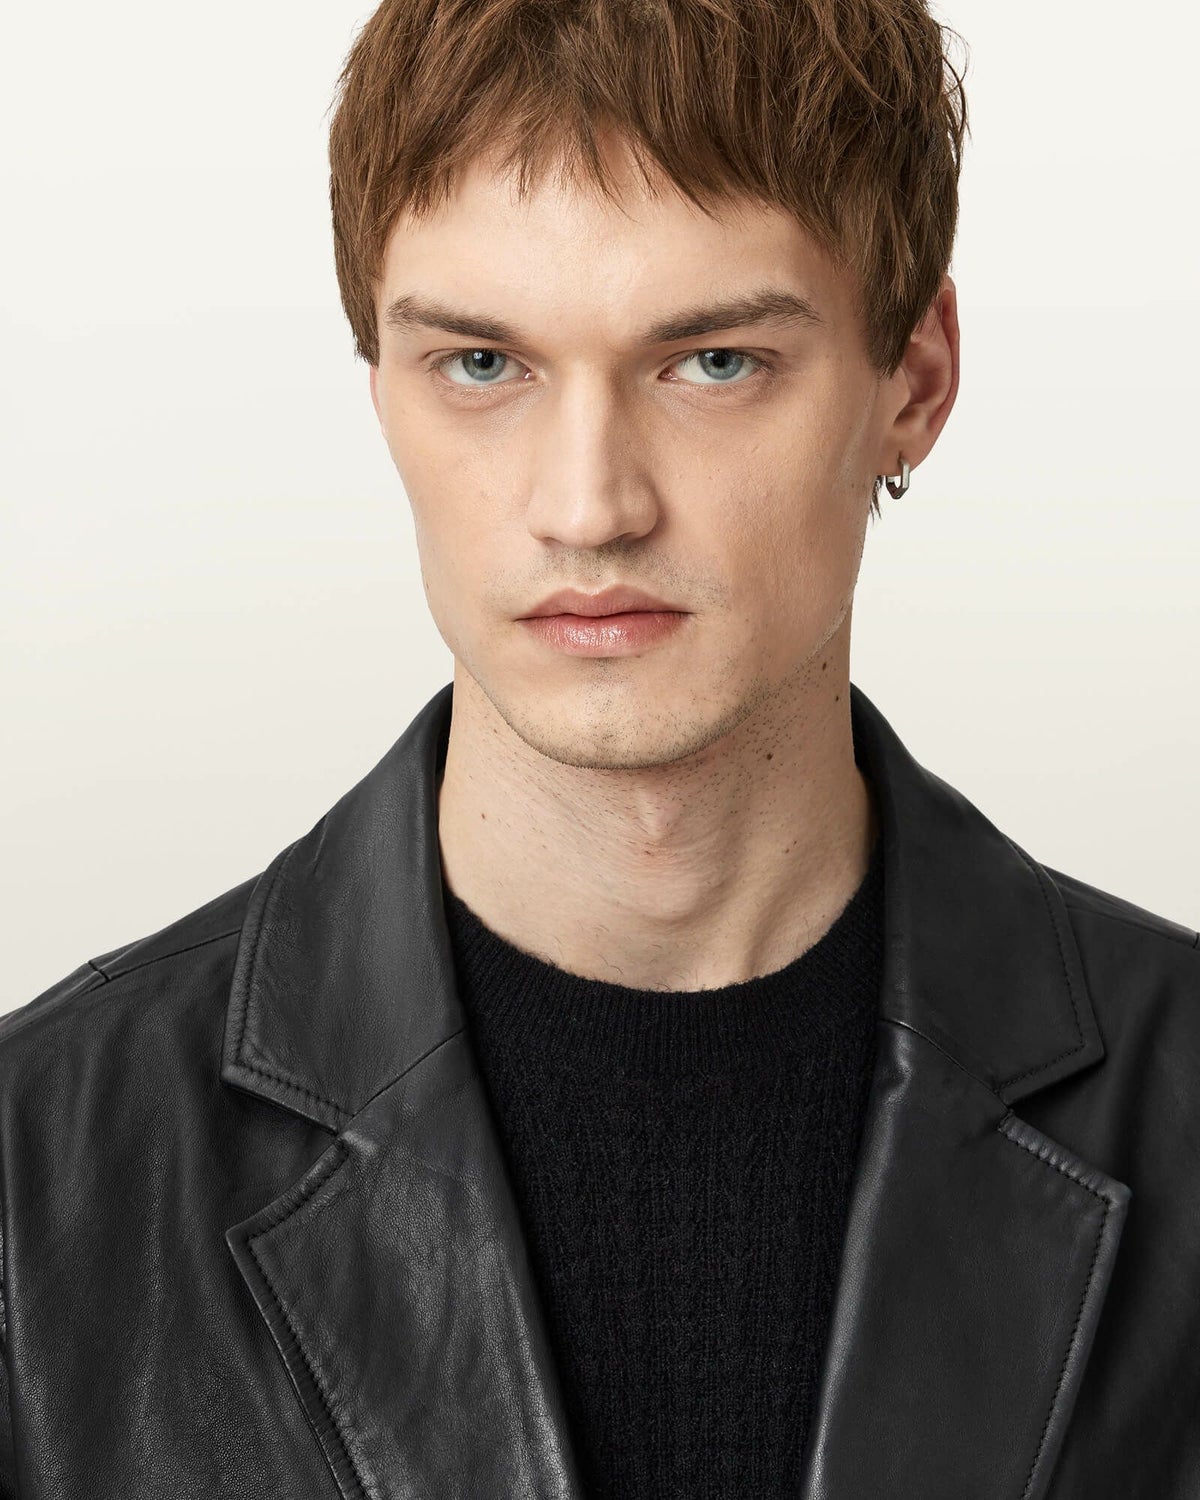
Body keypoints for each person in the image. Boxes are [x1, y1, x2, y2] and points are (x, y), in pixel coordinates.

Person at [3, 0, 1198, 1495]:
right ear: (379, 384)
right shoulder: (35, 1175)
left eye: (714, 363)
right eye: (481, 364)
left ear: (915, 382)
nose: (588, 507)